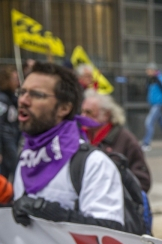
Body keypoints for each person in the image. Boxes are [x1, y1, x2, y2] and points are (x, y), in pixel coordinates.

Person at [11, 62, 124, 230]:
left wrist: (51, 213)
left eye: (36, 95)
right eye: (22, 92)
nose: (23, 101)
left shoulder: (93, 163)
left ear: (64, 108)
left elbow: (110, 233)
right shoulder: (26, 158)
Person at [81, 90, 151, 192]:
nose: (83, 116)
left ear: (106, 114)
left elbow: (142, 182)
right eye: (82, 111)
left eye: (89, 112)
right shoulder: (81, 138)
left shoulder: (126, 139)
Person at [141, 63, 162, 152]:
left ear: (153, 70)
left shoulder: (159, 78)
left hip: (158, 104)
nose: (147, 72)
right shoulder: (150, 79)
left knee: (149, 122)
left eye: (148, 70)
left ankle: (146, 143)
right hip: (153, 104)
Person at [0, 65, 20, 179]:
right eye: (14, 79)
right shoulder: (2, 99)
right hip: (6, 142)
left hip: (13, 139)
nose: (17, 82)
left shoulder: (12, 98)